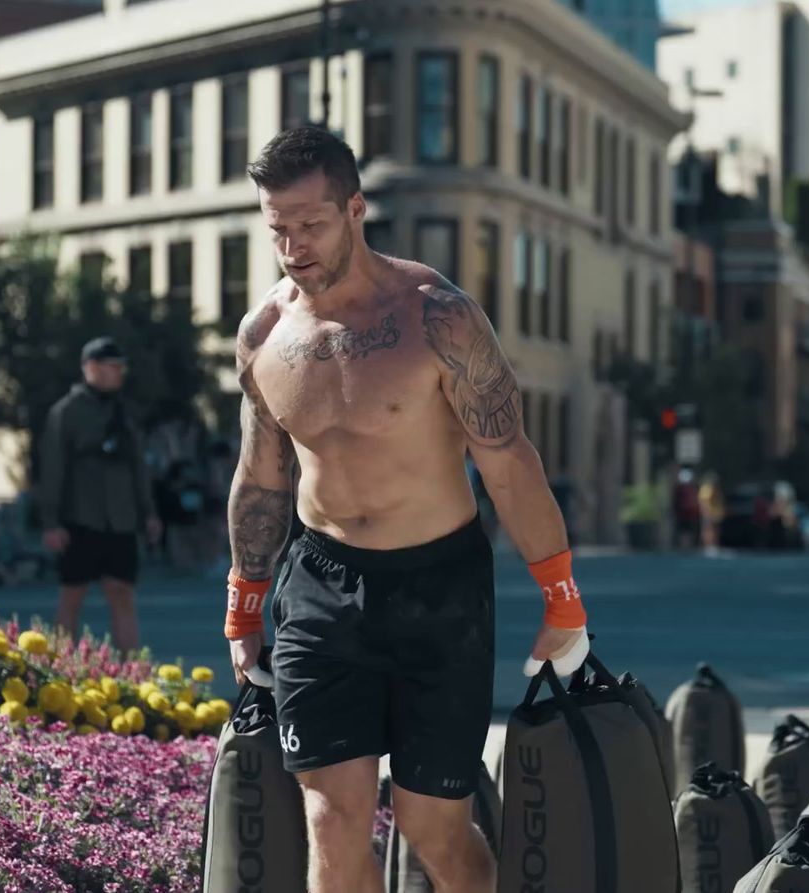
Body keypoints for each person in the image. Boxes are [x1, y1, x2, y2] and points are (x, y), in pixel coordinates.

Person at [222, 127, 589, 893]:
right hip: (321, 584)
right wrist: (244, 600)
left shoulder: (438, 318)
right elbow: (262, 474)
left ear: (356, 209)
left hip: (440, 589)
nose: (293, 247)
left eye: (311, 224)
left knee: (434, 830)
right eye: (277, 229)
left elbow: (508, 459)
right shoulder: (264, 335)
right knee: (331, 818)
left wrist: (562, 597)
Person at [38, 337, 161, 654]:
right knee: (72, 594)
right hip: (79, 516)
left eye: (121, 367)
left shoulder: (124, 412)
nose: (120, 373)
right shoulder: (66, 413)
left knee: (121, 592)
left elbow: (138, 468)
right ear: (90, 368)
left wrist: (148, 513)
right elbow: (52, 470)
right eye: (113, 367)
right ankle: (61, 672)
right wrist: (50, 522)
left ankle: (135, 676)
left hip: (120, 519)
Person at [698, 471, 725, 553]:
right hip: (709, 513)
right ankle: (708, 546)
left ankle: (714, 545)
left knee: (716, 530)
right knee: (708, 530)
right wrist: (706, 513)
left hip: (716, 514)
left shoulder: (716, 489)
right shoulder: (706, 489)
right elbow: (704, 502)